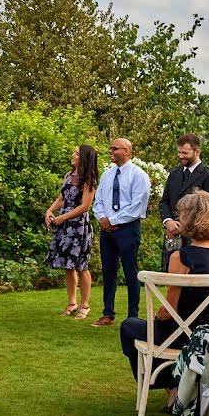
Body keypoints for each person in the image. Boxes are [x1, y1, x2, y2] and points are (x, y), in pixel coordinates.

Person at [119, 190, 209, 409]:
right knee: (149, 328)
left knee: (130, 326)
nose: (178, 219)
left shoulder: (181, 257)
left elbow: (169, 311)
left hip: (180, 334)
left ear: (191, 218)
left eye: (181, 215)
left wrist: (156, 315)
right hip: (207, 335)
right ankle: (177, 388)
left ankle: (169, 386)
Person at [90, 138, 151, 327]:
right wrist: (102, 219)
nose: (111, 151)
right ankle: (108, 313)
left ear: (126, 151)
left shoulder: (138, 175)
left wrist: (113, 220)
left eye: (114, 148)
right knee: (108, 271)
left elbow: (138, 205)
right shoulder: (107, 175)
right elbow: (98, 200)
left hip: (127, 229)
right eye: (111, 148)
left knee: (130, 272)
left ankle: (132, 316)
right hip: (107, 230)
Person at [44, 144, 98, 320]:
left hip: (79, 227)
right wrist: (50, 211)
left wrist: (63, 217)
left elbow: (85, 206)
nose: (73, 155)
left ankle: (85, 305)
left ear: (84, 158)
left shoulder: (88, 179)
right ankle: (72, 302)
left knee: (82, 266)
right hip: (65, 225)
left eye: (77, 153)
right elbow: (61, 198)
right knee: (68, 266)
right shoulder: (68, 176)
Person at [159, 134, 209, 272]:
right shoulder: (174, 174)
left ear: (197, 152)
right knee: (172, 276)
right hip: (172, 233)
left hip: (194, 236)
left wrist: (182, 226)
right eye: (179, 152)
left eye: (185, 153)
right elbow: (165, 201)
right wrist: (168, 222)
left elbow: (208, 210)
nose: (181, 156)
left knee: (191, 277)